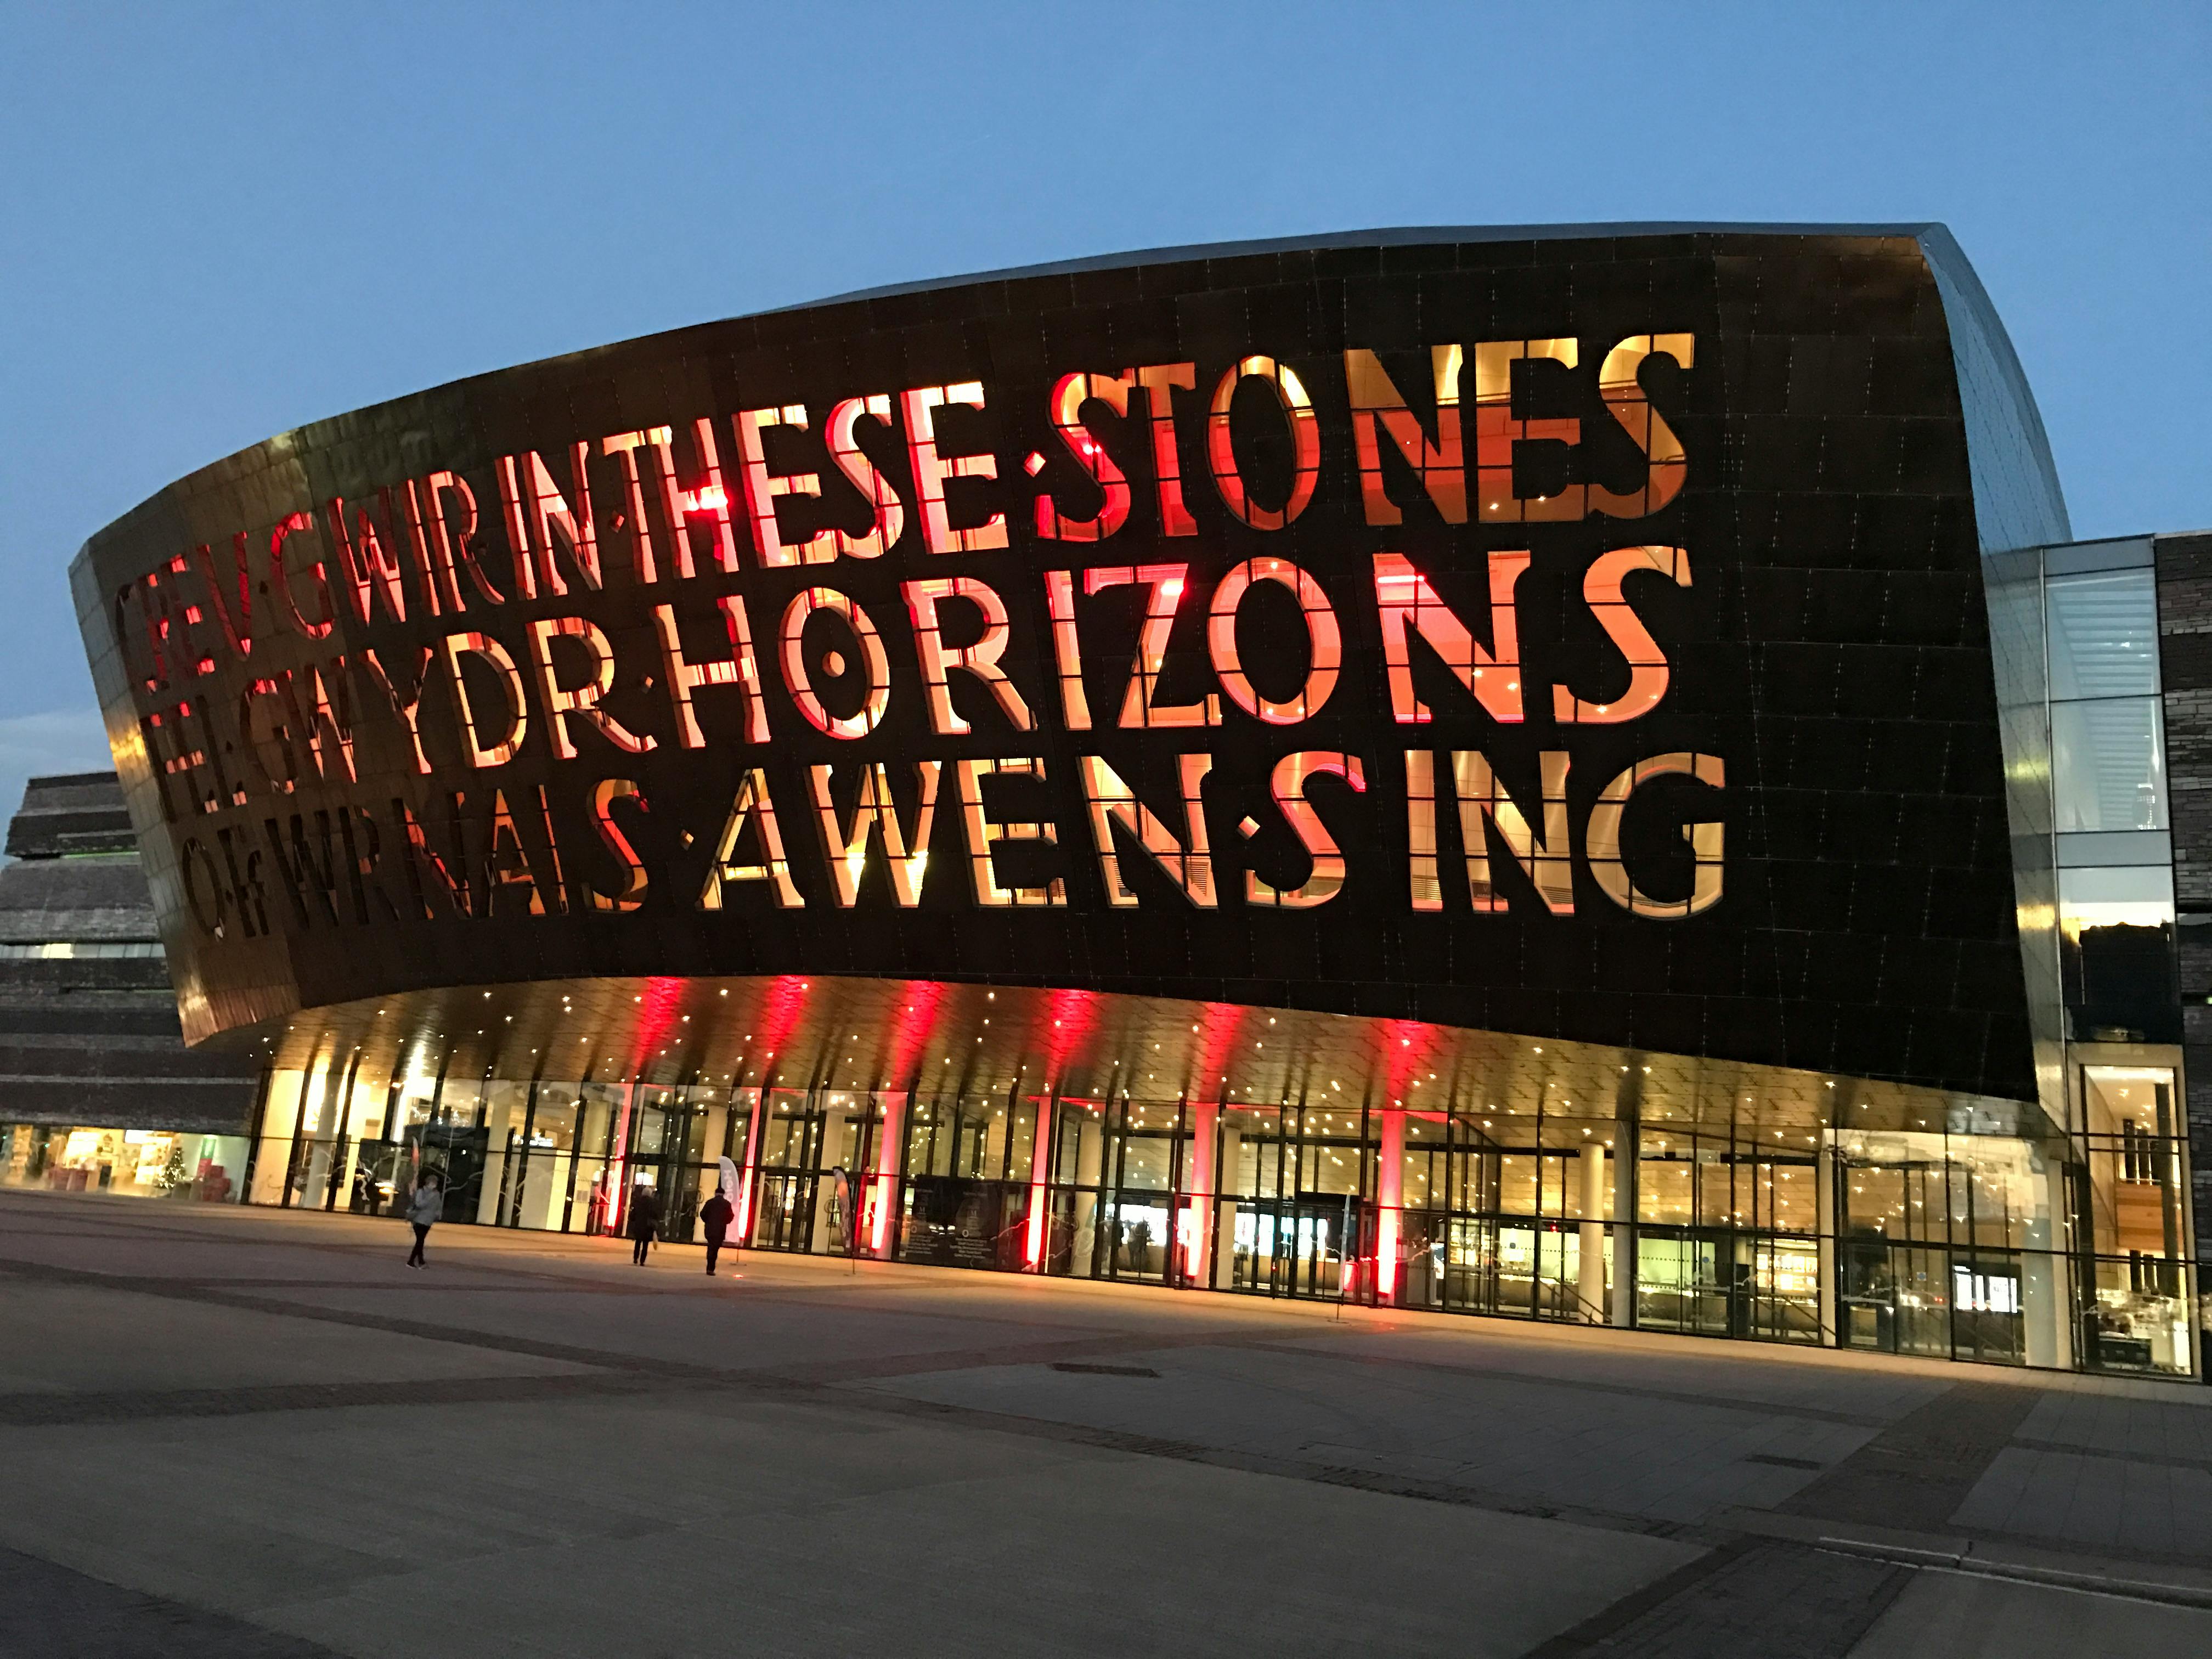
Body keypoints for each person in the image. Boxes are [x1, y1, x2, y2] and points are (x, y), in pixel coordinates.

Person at [405, 1171, 443, 1268]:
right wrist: (429, 1198)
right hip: (418, 1220)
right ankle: (416, 1262)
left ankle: (417, 1262)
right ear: (428, 1183)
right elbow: (419, 1204)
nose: (434, 1185)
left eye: (435, 1183)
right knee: (420, 1241)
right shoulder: (421, 1192)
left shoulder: (437, 1194)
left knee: (420, 1241)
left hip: (429, 1221)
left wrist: (437, 1214)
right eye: (432, 1183)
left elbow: (438, 1206)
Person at [699, 1187, 735, 1277]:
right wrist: (724, 1222)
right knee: (715, 1249)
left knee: (711, 1247)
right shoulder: (727, 1204)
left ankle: (709, 1267)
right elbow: (731, 1217)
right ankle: (711, 1268)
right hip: (720, 1230)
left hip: (710, 1229)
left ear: (715, 1193)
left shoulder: (710, 1203)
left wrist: (708, 1222)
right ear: (723, 1194)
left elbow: (703, 1214)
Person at [627, 1181, 661, 1266]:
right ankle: (642, 1261)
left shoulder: (638, 1202)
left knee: (638, 1243)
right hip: (648, 1227)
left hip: (639, 1225)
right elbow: (656, 1215)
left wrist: (633, 1221)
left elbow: (633, 1214)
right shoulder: (653, 1203)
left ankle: (635, 1258)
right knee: (645, 1245)